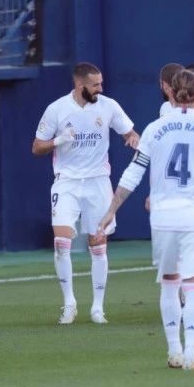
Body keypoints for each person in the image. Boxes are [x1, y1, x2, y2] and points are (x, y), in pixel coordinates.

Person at [95, 68, 194, 370]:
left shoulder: (154, 129)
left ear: (170, 92)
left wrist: (111, 210)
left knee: (170, 284)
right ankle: (192, 355)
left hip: (163, 218)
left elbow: (134, 172)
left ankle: (174, 351)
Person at [32, 62, 140, 325]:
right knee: (61, 242)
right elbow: (37, 147)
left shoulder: (108, 106)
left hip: (98, 181)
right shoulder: (57, 109)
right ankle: (69, 303)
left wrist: (133, 140)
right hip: (66, 181)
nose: (100, 88)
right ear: (79, 85)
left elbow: (130, 133)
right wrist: (59, 140)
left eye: (101, 83)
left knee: (98, 244)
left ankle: (97, 307)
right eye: (95, 85)